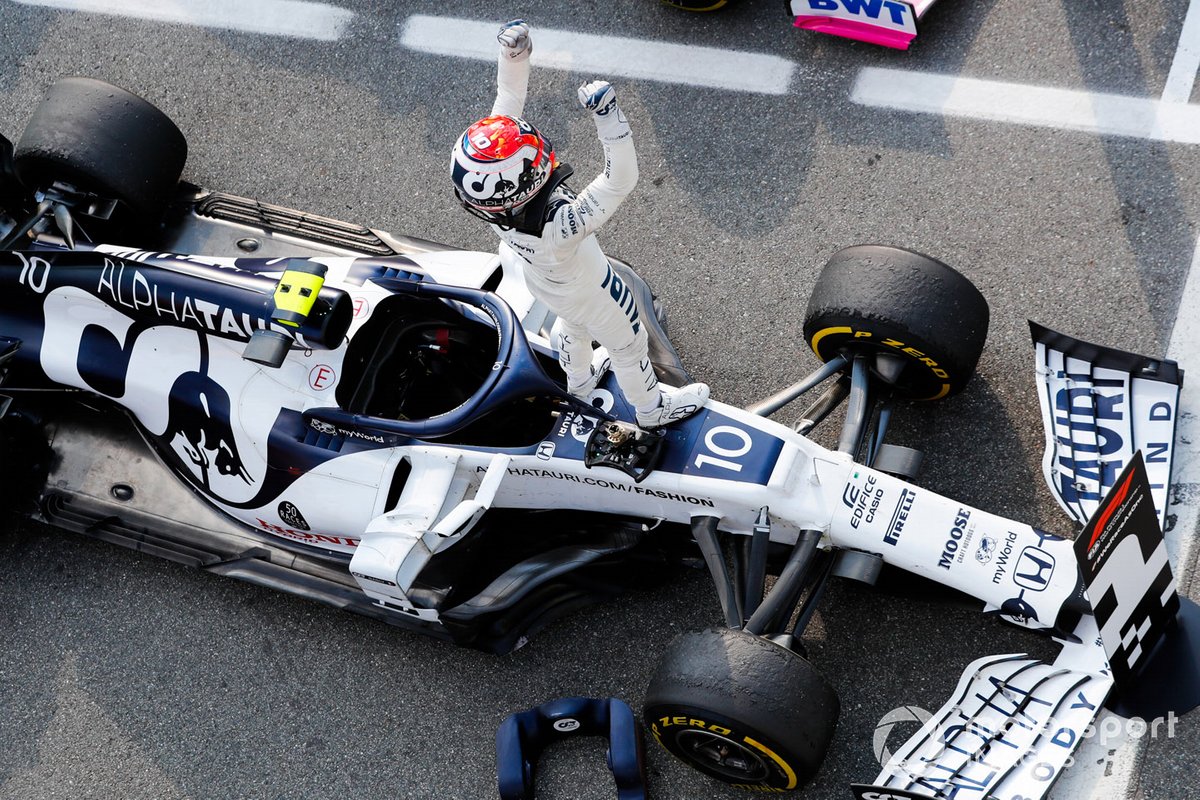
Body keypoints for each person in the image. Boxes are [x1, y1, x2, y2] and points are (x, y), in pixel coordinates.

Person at [449, 20, 709, 429]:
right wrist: (608, 117)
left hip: (547, 284)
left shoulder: (492, 204)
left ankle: (579, 386)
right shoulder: (562, 226)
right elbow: (620, 179)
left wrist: (512, 56)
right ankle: (652, 410)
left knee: (573, 326)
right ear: (532, 174)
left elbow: (507, 101)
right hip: (594, 290)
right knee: (629, 343)